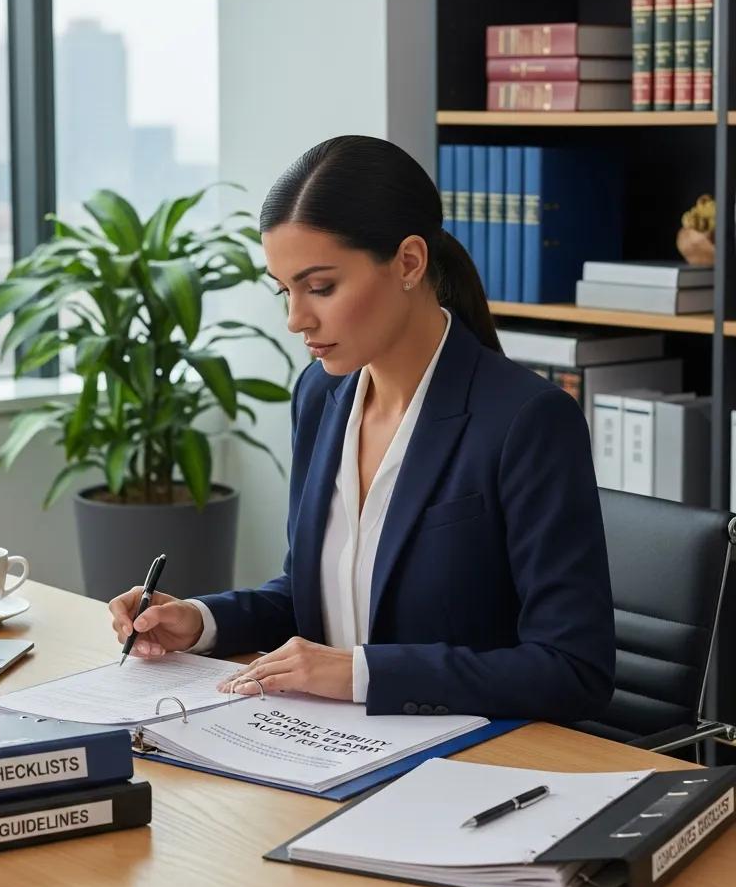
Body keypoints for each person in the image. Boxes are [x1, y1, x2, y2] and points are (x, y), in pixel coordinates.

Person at [109, 135, 615, 721]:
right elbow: (315, 596)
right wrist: (200, 621)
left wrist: (360, 673)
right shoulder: (321, 394)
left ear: (408, 262)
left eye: (320, 287)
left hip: (470, 764)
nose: (296, 319)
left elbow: (574, 669)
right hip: (335, 743)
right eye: (285, 290)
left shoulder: (527, 420)